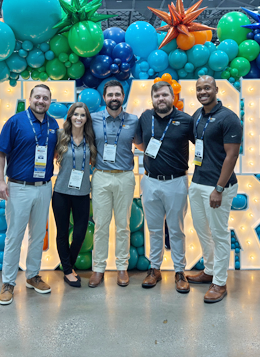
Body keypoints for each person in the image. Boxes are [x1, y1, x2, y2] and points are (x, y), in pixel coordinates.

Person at [0, 84, 58, 305]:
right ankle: (8, 283)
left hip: (44, 186)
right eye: (38, 97)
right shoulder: (15, 121)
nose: (41, 101)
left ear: (50, 101)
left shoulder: (53, 124)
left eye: (46, 98)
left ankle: (32, 276)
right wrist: (0, 180)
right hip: (18, 187)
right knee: (14, 237)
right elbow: (0, 153)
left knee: (38, 235)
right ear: (29, 98)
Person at [186, 76, 242, 303]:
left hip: (218, 186)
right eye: (199, 89)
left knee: (219, 234)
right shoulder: (197, 115)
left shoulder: (229, 118)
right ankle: (209, 270)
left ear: (216, 89)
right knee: (202, 230)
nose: (202, 92)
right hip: (198, 182)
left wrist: (218, 188)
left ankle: (219, 282)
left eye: (207, 88)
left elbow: (232, 155)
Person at [134, 81, 194, 293]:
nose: (161, 99)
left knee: (176, 230)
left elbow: (201, 147)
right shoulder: (145, 118)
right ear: (153, 99)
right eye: (157, 96)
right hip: (150, 181)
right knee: (154, 230)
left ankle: (179, 271)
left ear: (172, 97)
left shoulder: (186, 120)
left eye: (165, 95)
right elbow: (140, 144)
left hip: (176, 182)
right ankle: (154, 269)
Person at [88, 80, 138, 288]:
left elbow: (143, 143)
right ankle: (98, 269)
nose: (114, 98)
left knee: (123, 226)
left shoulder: (134, 120)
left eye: (118, 94)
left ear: (123, 97)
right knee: (100, 225)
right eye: (110, 95)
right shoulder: (93, 119)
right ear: (104, 98)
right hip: (100, 176)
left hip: (125, 176)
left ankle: (121, 268)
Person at [52, 102, 97, 288]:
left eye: (83, 115)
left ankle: (67, 265)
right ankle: (68, 271)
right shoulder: (60, 136)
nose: (79, 118)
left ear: (87, 118)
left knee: (79, 232)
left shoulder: (91, 138)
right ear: (70, 117)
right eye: (75, 114)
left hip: (82, 192)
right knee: (62, 232)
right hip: (61, 192)